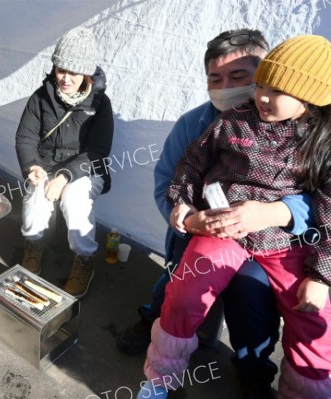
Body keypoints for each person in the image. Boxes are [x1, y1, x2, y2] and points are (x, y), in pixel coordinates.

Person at [118, 29, 312, 398]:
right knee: (178, 279)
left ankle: (254, 372)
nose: (226, 87)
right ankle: (153, 321)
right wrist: (190, 219)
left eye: (240, 77)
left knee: (253, 299)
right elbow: (168, 181)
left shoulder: (307, 131)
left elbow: (319, 197)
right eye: (215, 79)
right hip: (202, 235)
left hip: (273, 242)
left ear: (266, 74)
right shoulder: (195, 124)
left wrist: (275, 212)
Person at [15, 27, 114, 298]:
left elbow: (98, 151)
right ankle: (33, 245)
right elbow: (25, 138)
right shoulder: (41, 96)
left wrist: (65, 177)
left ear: (86, 73)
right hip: (46, 165)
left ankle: (84, 260)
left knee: (75, 201)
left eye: (73, 72)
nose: (65, 78)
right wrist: (32, 166)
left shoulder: (100, 104)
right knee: (36, 199)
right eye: (61, 69)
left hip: (85, 170)